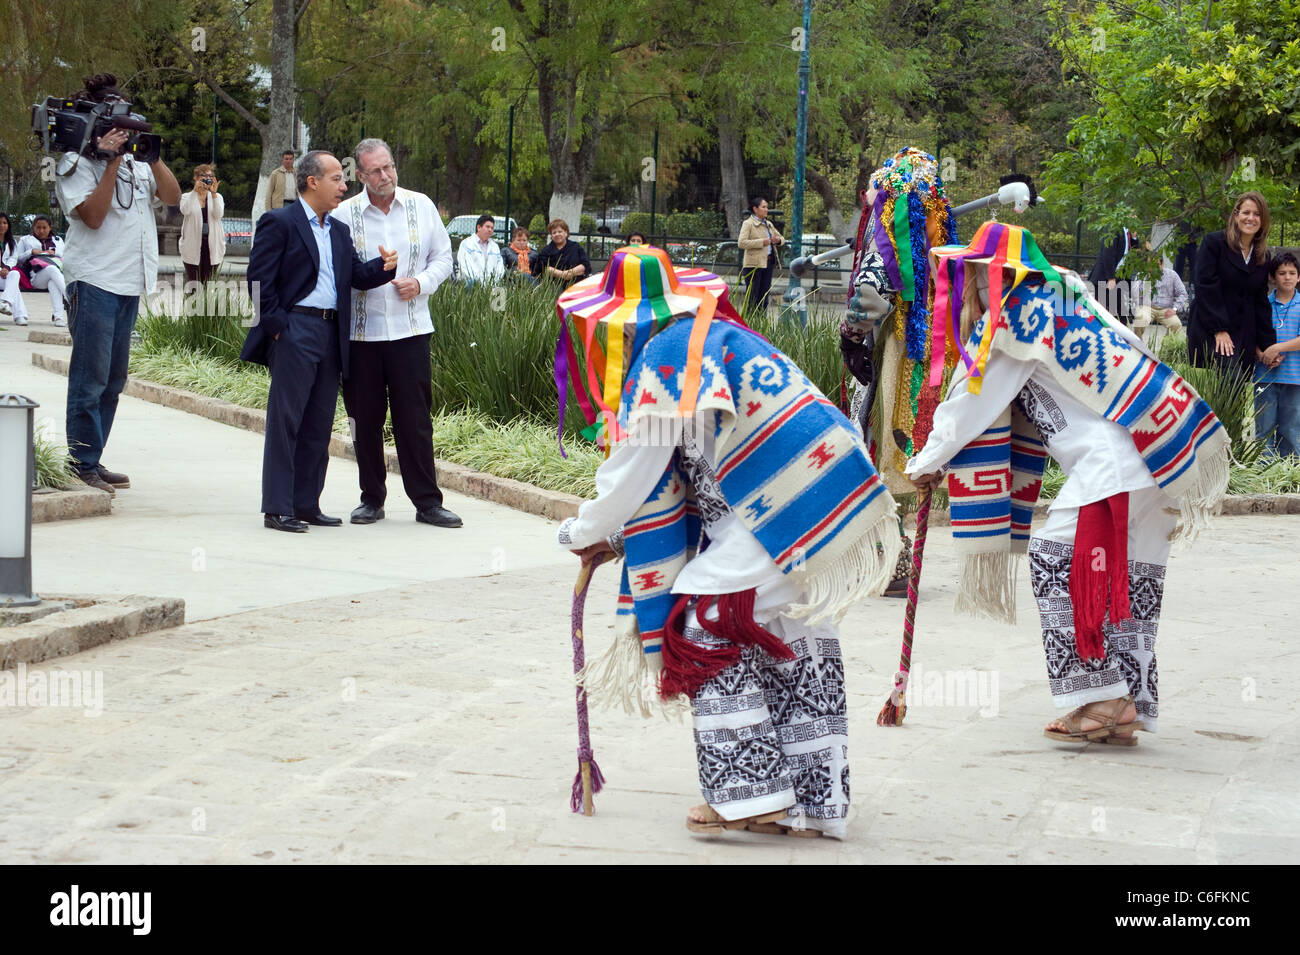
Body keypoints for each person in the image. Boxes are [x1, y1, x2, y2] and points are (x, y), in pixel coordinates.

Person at [556, 246, 901, 838]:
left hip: (777, 514)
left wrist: (581, 531)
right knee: (792, 632)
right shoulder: (717, 337)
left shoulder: (667, 355)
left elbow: (632, 473)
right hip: (825, 496)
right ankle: (816, 801)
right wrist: (611, 534)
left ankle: (750, 794)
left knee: (703, 624)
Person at [906, 222, 1229, 746]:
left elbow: (971, 401)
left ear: (989, 274)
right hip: (1154, 446)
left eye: (969, 271)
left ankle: (1101, 699)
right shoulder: (1065, 295)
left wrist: (926, 462)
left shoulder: (1011, 319)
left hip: (1112, 466)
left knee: (1056, 559)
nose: (963, 283)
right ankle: (1124, 704)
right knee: (1125, 579)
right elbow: (1126, 339)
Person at [240, 149, 398, 533]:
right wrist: (280, 328)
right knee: (286, 421)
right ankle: (277, 507)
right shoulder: (280, 222)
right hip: (296, 330)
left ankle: (306, 504)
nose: (344, 186)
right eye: (336, 179)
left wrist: (382, 267)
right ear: (312, 182)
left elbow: (354, 276)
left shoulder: (339, 230)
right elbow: (259, 283)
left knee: (318, 423)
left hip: (332, 333)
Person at [53, 73, 182, 495]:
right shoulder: (74, 162)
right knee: (89, 378)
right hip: (94, 280)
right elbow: (92, 216)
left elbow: (174, 197)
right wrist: (109, 162)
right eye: (119, 127)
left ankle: (92, 457)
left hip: (129, 282)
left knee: (112, 380)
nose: (126, 135)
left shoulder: (135, 162)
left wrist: (153, 157)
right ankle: (81, 463)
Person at [840, 147, 960, 598]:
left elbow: (874, 288)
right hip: (927, 348)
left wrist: (850, 337)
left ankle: (888, 555)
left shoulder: (891, 226)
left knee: (875, 441)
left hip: (891, 347)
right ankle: (895, 553)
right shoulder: (938, 224)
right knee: (907, 444)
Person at [335, 137, 461, 529]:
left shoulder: (421, 205)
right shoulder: (342, 214)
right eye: (375, 170)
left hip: (411, 332)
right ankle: (371, 498)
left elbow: (444, 258)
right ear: (360, 175)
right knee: (364, 420)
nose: (385, 175)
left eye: (388, 166)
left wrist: (421, 283)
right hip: (361, 336)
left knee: (415, 419)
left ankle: (427, 502)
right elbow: (340, 272)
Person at [1186, 191, 1275, 374]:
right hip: (1214, 330)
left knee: (1238, 392)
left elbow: (1260, 301)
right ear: (1236, 215)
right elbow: (1205, 287)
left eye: (1257, 214)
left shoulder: (1262, 256)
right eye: (1246, 212)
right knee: (1228, 383)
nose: (1251, 218)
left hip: (1245, 333)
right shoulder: (1214, 243)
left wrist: (1267, 345)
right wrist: (1219, 329)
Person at [1255, 252, 1300, 459]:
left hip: (1294, 377)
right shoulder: (1263, 304)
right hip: (1266, 376)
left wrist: (1277, 348)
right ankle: (1264, 474)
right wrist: (1263, 353)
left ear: (1299, 277)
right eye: (1282, 273)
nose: (1287, 277)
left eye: (1292, 273)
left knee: (1290, 429)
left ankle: (1289, 473)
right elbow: (1252, 335)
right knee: (1263, 428)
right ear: (1273, 277)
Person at [15, 215, 68, 327]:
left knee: (53, 281)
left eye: (44, 227)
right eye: (38, 227)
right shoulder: (25, 240)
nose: (41, 231)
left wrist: (53, 253)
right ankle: (69, 297)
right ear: (34, 227)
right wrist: (31, 252)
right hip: (35, 277)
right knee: (52, 269)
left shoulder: (58, 240)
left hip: (54, 276)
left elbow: (64, 257)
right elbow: (17, 258)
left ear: (50, 227)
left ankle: (58, 317)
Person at [178, 163, 225, 283]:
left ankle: (206, 303)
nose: (207, 178)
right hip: (192, 245)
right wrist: (195, 191)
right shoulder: (186, 196)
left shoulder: (217, 197)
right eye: (204, 176)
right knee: (193, 284)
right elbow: (185, 210)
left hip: (212, 245)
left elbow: (218, 214)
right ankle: (191, 302)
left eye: (210, 176)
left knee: (209, 284)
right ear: (196, 177)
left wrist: (213, 194)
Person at [736, 196, 783, 313]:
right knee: (752, 297)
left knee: (764, 297)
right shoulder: (748, 224)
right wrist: (763, 242)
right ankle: (749, 323)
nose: (766, 209)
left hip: (767, 263)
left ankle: (761, 322)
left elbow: (781, 238)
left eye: (767, 207)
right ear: (755, 209)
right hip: (753, 265)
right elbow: (741, 243)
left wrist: (778, 240)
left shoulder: (768, 224)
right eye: (763, 207)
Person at [1131, 260, 1189, 330]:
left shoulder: (1172, 275)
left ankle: (1166, 341)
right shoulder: (1141, 274)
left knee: (1176, 324)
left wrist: (1174, 309)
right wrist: (1147, 281)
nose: (1152, 267)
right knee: (1140, 321)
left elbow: (1183, 294)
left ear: (1162, 264)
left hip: (1165, 309)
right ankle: (1137, 340)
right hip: (1147, 306)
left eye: (1155, 265)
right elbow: (1134, 295)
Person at [532, 219, 590, 286]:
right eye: (554, 232)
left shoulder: (576, 247)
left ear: (566, 232)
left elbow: (585, 265)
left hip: (576, 285)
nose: (557, 234)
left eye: (560, 231)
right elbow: (543, 268)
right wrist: (562, 274)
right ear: (551, 235)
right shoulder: (546, 250)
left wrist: (570, 273)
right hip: (553, 286)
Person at [456, 214, 504, 286]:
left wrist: (493, 283)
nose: (490, 230)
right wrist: (481, 284)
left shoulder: (495, 246)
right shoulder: (466, 244)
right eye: (487, 227)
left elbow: (500, 268)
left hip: (491, 285)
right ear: (479, 227)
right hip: (471, 283)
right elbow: (466, 267)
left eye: (492, 228)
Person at [0, 212, 25, 325]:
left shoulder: (12, 241)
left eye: (5, 223)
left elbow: (13, 258)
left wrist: (6, 268)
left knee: (15, 274)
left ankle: (5, 302)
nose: (2, 225)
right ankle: (20, 315)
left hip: (6, 274)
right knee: (14, 286)